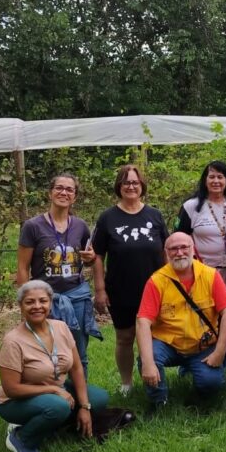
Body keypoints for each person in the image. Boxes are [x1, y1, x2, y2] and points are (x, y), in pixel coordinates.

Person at [0, 280, 110, 452]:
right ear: (20, 306)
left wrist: (84, 407)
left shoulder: (61, 327)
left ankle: (54, 425)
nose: (37, 306)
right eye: (30, 302)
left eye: (43, 301)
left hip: (56, 391)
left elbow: (76, 367)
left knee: (99, 398)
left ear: (50, 303)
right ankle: (21, 438)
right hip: (16, 401)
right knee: (58, 406)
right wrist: (53, 389)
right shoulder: (13, 341)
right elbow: (11, 389)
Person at [136, 232, 226, 411]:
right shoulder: (156, 281)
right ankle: (159, 401)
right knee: (149, 358)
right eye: (173, 249)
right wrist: (148, 363)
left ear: (193, 249)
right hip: (168, 344)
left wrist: (220, 352)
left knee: (212, 383)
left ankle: (198, 393)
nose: (179, 252)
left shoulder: (210, 275)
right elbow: (143, 322)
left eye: (184, 247)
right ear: (166, 252)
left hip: (202, 345)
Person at [92, 164, 169, 397]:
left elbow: (166, 251)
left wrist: (170, 283)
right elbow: (97, 255)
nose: (131, 186)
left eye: (135, 182)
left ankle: (155, 379)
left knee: (155, 337)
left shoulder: (155, 215)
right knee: (125, 338)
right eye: (126, 182)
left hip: (154, 289)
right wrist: (100, 289)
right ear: (119, 186)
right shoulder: (107, 218)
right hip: (121, 288)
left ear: (142, 185)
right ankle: (126, 382)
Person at [16, 173, 101, 377]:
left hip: (77, 296)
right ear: (50, 193)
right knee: (48, 352)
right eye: (59, 188)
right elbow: (22, 267)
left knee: (79, 353)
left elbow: (88, 259)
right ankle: (53, 391)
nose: (64, 192)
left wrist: (90, 258)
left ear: (75, 197)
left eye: (69, 189)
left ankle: (81, 394)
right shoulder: (33, 226)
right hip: (46, 299)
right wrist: (24, 303)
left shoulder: (80, 226)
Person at [177, 160, 226, 306]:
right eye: (211, 177)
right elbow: (179, 238)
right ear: (205, 180)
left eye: (220, 177)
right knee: (204, 314)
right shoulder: (191, 206)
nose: (216, 181)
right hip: (201, 273)